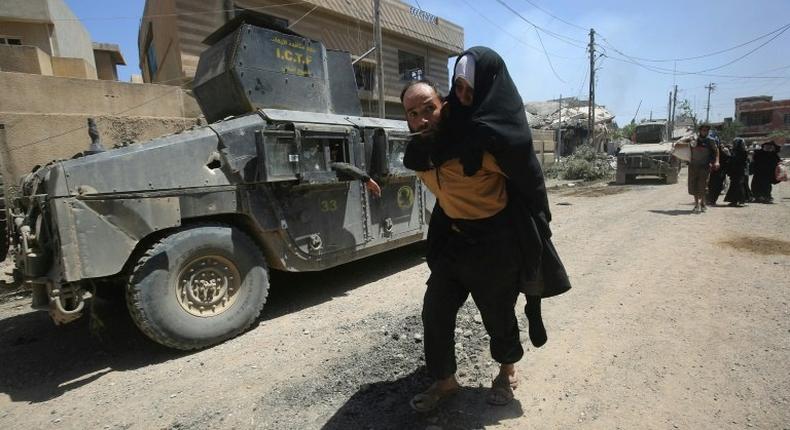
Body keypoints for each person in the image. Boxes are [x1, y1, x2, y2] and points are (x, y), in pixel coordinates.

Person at [400, 47, 570, 412]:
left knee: (498, 315)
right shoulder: (420, 151)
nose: (422, 119)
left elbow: (526, 180)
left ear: (442, 104)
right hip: (454, 242)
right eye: (413, 114)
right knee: (436, 309)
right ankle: (445, 382)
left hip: (495, 246)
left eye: (428, 108)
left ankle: (506, 371)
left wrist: (536, 224)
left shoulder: (482, 144)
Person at [688, 123, 719, 213]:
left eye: (707, 130)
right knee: (693, 185)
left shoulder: (711, 141)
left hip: (704, 166)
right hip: (693, 165)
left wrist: (717, 161)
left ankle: (703, 203)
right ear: (700, 130)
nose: (705, 132)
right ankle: (696, 204)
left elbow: (716, 151)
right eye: (703, 130)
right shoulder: (694, 139)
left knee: (703, 185)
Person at [723, 138, 749, 207]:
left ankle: (739, 200)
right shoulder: (734, 151)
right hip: (734, 171)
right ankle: (735, 201)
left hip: (739, 171)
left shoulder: (743, 152)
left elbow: (738, 160)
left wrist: (729, 156)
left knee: (738, 185)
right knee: (735, 185)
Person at [706, 135, 729, 206]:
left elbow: (726, 161)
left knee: (717, 187)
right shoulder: (709, 152)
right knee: (710, 186)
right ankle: (710, 200)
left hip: (719, 173)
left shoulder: (721, 153)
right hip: (712, 173)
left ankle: (712, 200)